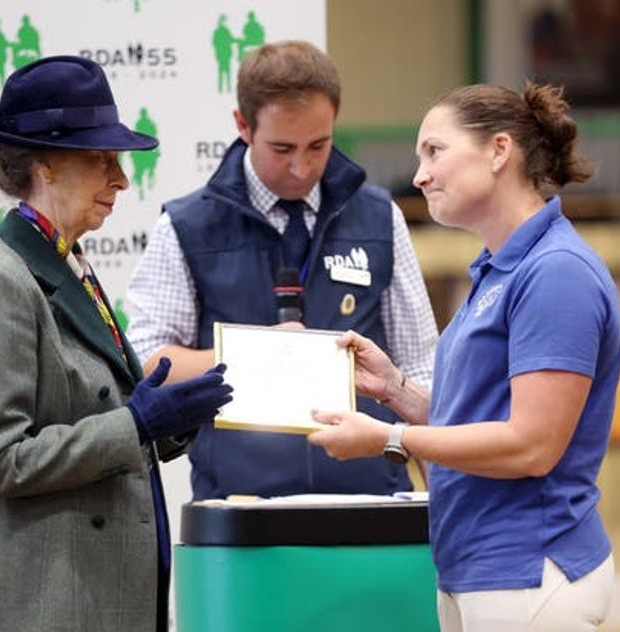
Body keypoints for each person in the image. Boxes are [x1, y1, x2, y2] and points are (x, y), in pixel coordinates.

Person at [308, 83, 620, 632]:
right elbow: (485, 417)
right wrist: (398, 391)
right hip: (479, 567)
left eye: (435, 151)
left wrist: (391, 438)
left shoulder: (555, 273)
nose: (421, 174)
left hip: (525, 567)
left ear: (500, 151)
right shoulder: (502, 269)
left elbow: (531, 445)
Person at [0, 55, 232, 632]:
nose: (121, 179)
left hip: (86, 608)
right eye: (101, 160)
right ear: (43, 164)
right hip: (42, 618)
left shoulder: (66, 262)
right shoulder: (3, 282)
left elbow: (91, 416)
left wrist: (171, 423)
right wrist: (136, 423)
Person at [126, 40, 437, 500]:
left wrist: (443, 500)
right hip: (239, 510)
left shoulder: (378, 215)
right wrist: (262, 356)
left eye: (318, 145)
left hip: (371, 503)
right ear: (242, 126)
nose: (300, 167)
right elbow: (148, 359)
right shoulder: (188, 225)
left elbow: (419, 365)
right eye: (281, 147)